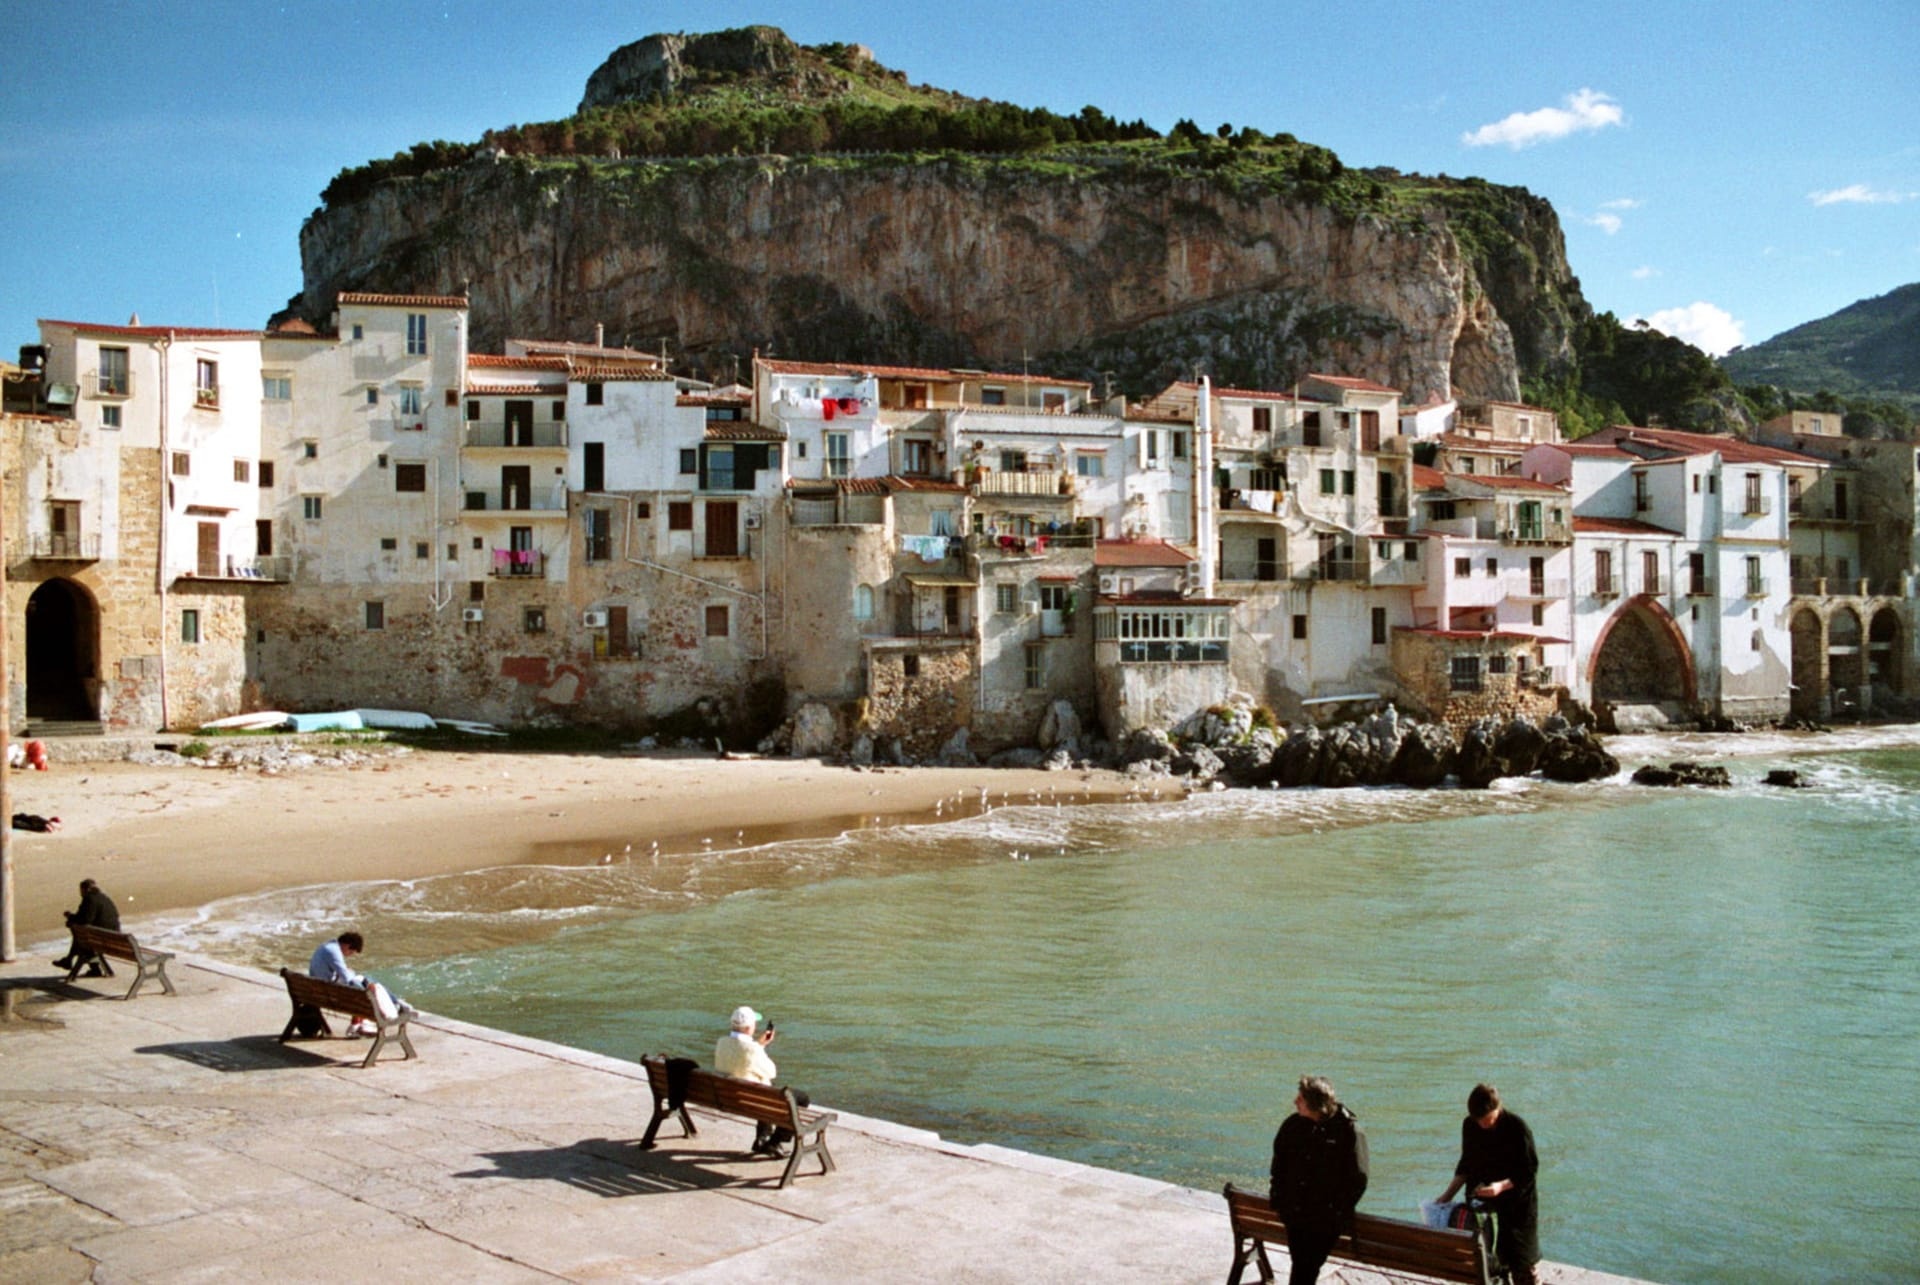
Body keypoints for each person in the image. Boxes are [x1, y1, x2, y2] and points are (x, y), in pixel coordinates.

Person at [1269, 1074, 1370, 1285]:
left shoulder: (1348, 1131)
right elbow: (1278, 1165)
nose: (1295, 1101)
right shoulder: (1293, 1125)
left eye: (1301, 1099)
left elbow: (1358, 1178)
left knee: (1305, 1266)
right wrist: (1280, 1199)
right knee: (1303, 1265)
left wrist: (1336, 1211)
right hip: (1295, 1213)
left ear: (1315, 1105)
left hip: (1325, 1219)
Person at [1438, 1083, 1540, 1285]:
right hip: (1482, 1203)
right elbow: (1466, 1164)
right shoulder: (1470, 1125)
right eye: (1478, 1120)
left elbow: (1528, 1171)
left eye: (1487, 1119)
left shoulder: (1518, 1128)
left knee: (1521, 1263)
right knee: (1483, 1262)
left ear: (1498, 1108)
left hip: (1516, 1204)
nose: (1482, 1125)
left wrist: (1500, 1187)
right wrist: (1446, 1196)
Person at [714, 1004, 809, 1157]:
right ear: (748, 1028)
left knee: (762, 1087)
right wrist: (759, 1048)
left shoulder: (722, 1042)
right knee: (800, 1098)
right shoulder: (752, 1050)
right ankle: (774, 1142)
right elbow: (772, 1072)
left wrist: (759, 1045)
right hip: (752, 1102)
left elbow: (741, 1059)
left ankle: (762, 1138)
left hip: (729, 1098)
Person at [308, 931, 413, 1037]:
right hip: (330, 994)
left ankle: (396, 1002)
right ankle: (397, 1003)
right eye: (351, 952)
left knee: (366, 980)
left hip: (319, 991)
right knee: (366, 984)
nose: (349, 955)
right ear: (348, 946)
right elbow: (347, 978)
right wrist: (365, 986)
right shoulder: (333, 952)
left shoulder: (326, 946)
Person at [53, 878, 119, 975]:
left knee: (80, 934)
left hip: (102, 940)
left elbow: (85, 920)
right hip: (112, 937)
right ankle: (72, 961)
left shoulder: (90, 899)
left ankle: (69, 960)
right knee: (82, 934)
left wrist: (70, 918)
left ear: (85, 889)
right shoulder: (103, 898)